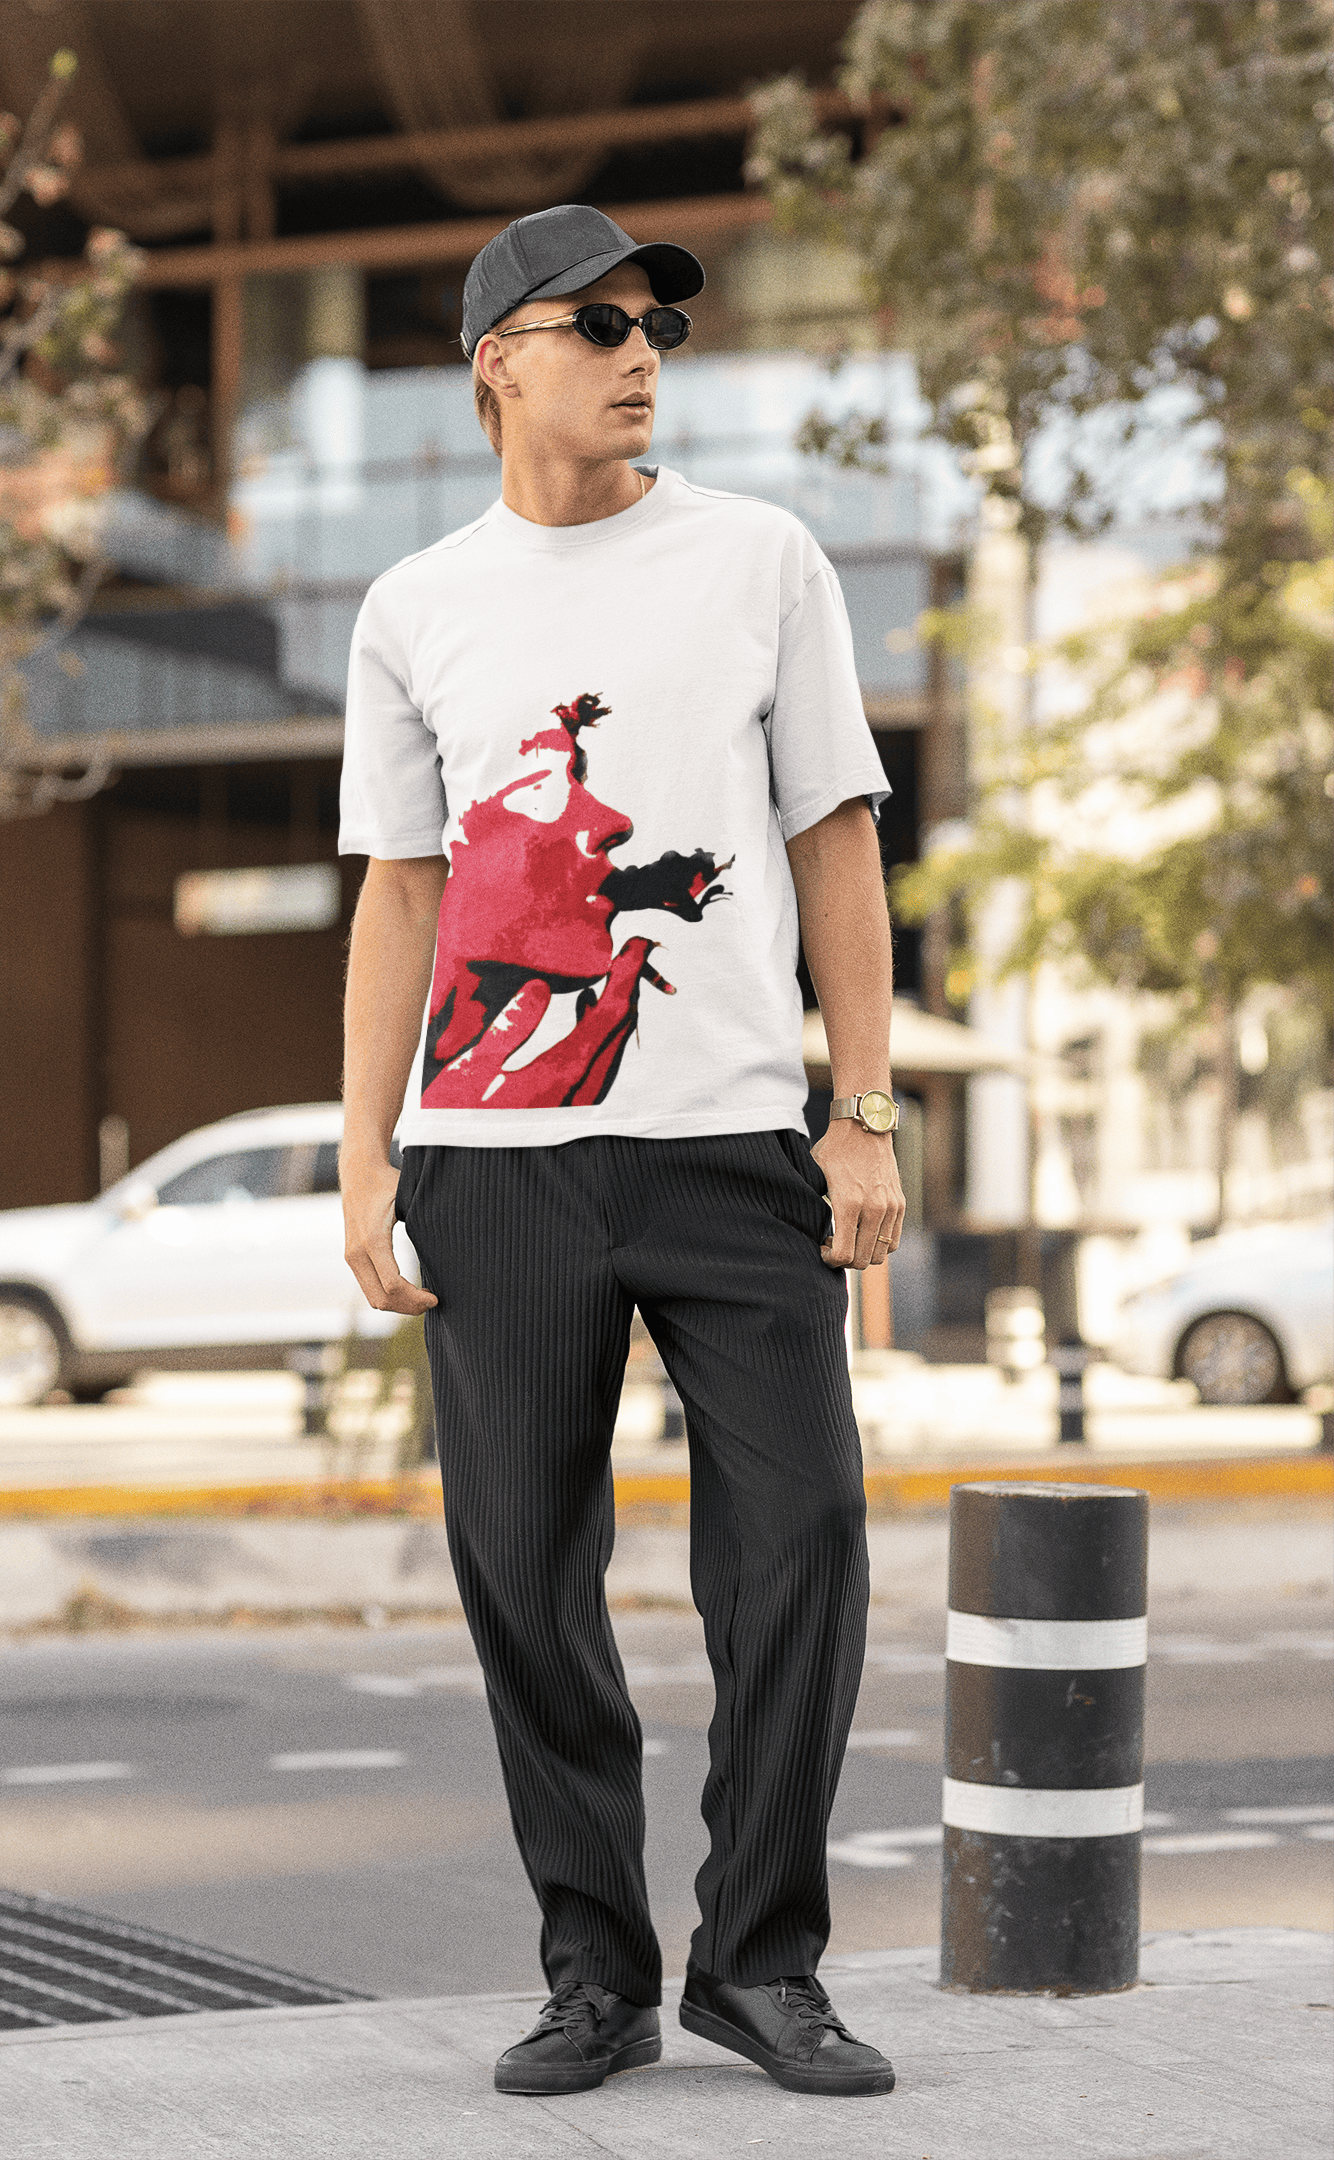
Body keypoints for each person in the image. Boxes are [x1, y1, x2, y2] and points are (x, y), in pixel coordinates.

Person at [339, 203, 905, 2101]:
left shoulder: (762, 560)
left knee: (805, 1538)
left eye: (660, 320)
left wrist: (865, 1107)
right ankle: (598, 1970)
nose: (644, 348)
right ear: (499, 358)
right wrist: (362, 1165)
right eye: (598, 323)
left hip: (734, 1145)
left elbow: (835, 837)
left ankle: (762, 1962)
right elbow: (402, 899)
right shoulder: (417, 606)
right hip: (492, 1162)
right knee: (519, 1563)